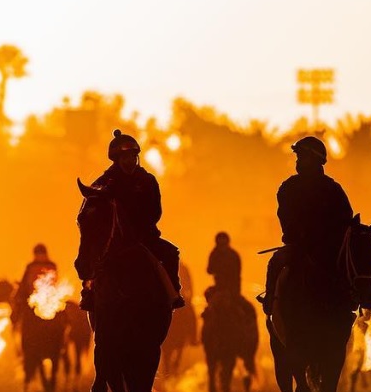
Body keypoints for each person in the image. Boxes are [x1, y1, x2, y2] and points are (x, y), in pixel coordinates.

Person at [78, 129, 184, 311]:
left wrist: (139, 224)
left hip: (145, 236)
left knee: (171, 254)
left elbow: (156, 211)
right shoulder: (104, 183)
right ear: (117, 159)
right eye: (125, 157)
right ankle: (87, 292)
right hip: (113, 240)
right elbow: (89, 214)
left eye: (133, 156)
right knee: (92, 258)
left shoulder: (147, 181)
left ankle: (174, 293)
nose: (130, 161)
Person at [258, 135, 353, 315]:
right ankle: (270, 301)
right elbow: (285, 217)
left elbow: (346, 219)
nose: (298, 161)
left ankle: (355, 300)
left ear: (315, 159)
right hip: (299, 248)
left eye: (302, 157)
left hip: (330, 249)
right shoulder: (288, 188)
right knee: (276, 261)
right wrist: (301, 237)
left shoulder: (333, 189)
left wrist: (329, 239)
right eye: (298, 157)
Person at [14, 243, 58, 324]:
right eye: (39, 254)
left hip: (48, 297)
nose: (40, 256)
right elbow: (25, 282)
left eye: (41, 254)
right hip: (33, 297)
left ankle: (17, 323)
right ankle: (16, 324)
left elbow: (55, 281)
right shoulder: (31, 266)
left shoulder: (49, 265)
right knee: (18, 305)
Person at [207, 231, 242, 300]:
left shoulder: (233, 255)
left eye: (223, 244)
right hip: (219, 287)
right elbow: (209, 270)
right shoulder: (214, 254)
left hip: (233, 290)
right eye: (220, 244)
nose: (222, 247)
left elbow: (237, 274)